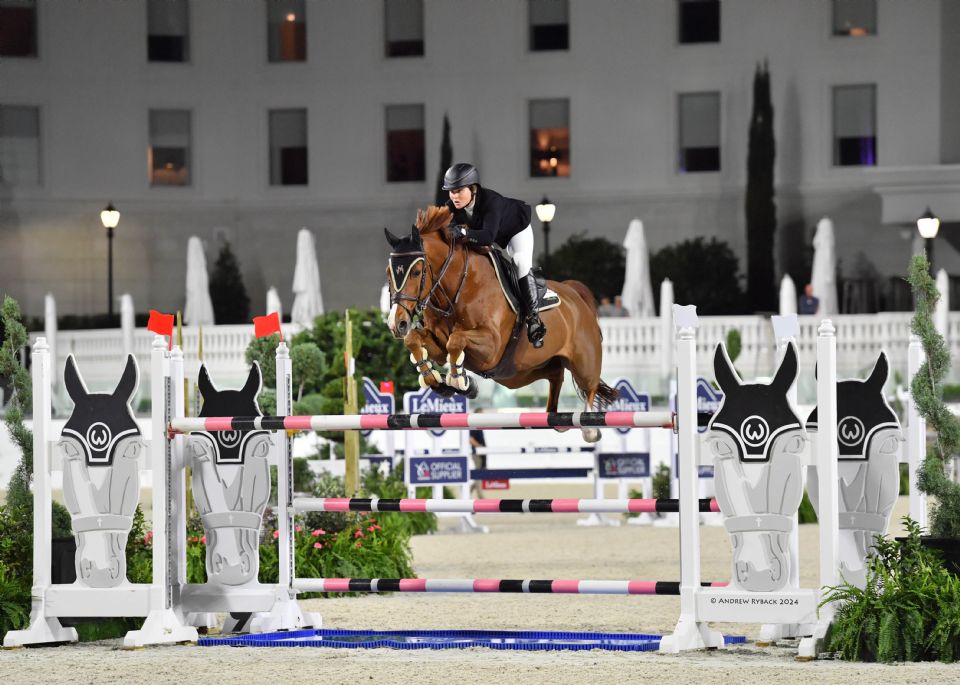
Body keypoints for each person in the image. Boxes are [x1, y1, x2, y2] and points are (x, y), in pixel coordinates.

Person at [442, 162, 546, 348]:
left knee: (520, 262)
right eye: (451, 191)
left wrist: (464, 233)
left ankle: (534, 319)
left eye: (459, 191)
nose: (454, 196)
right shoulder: (453, 205)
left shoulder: (492, 201)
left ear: (473, 189)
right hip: (490, 235)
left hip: (516, 231)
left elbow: (488, 236)